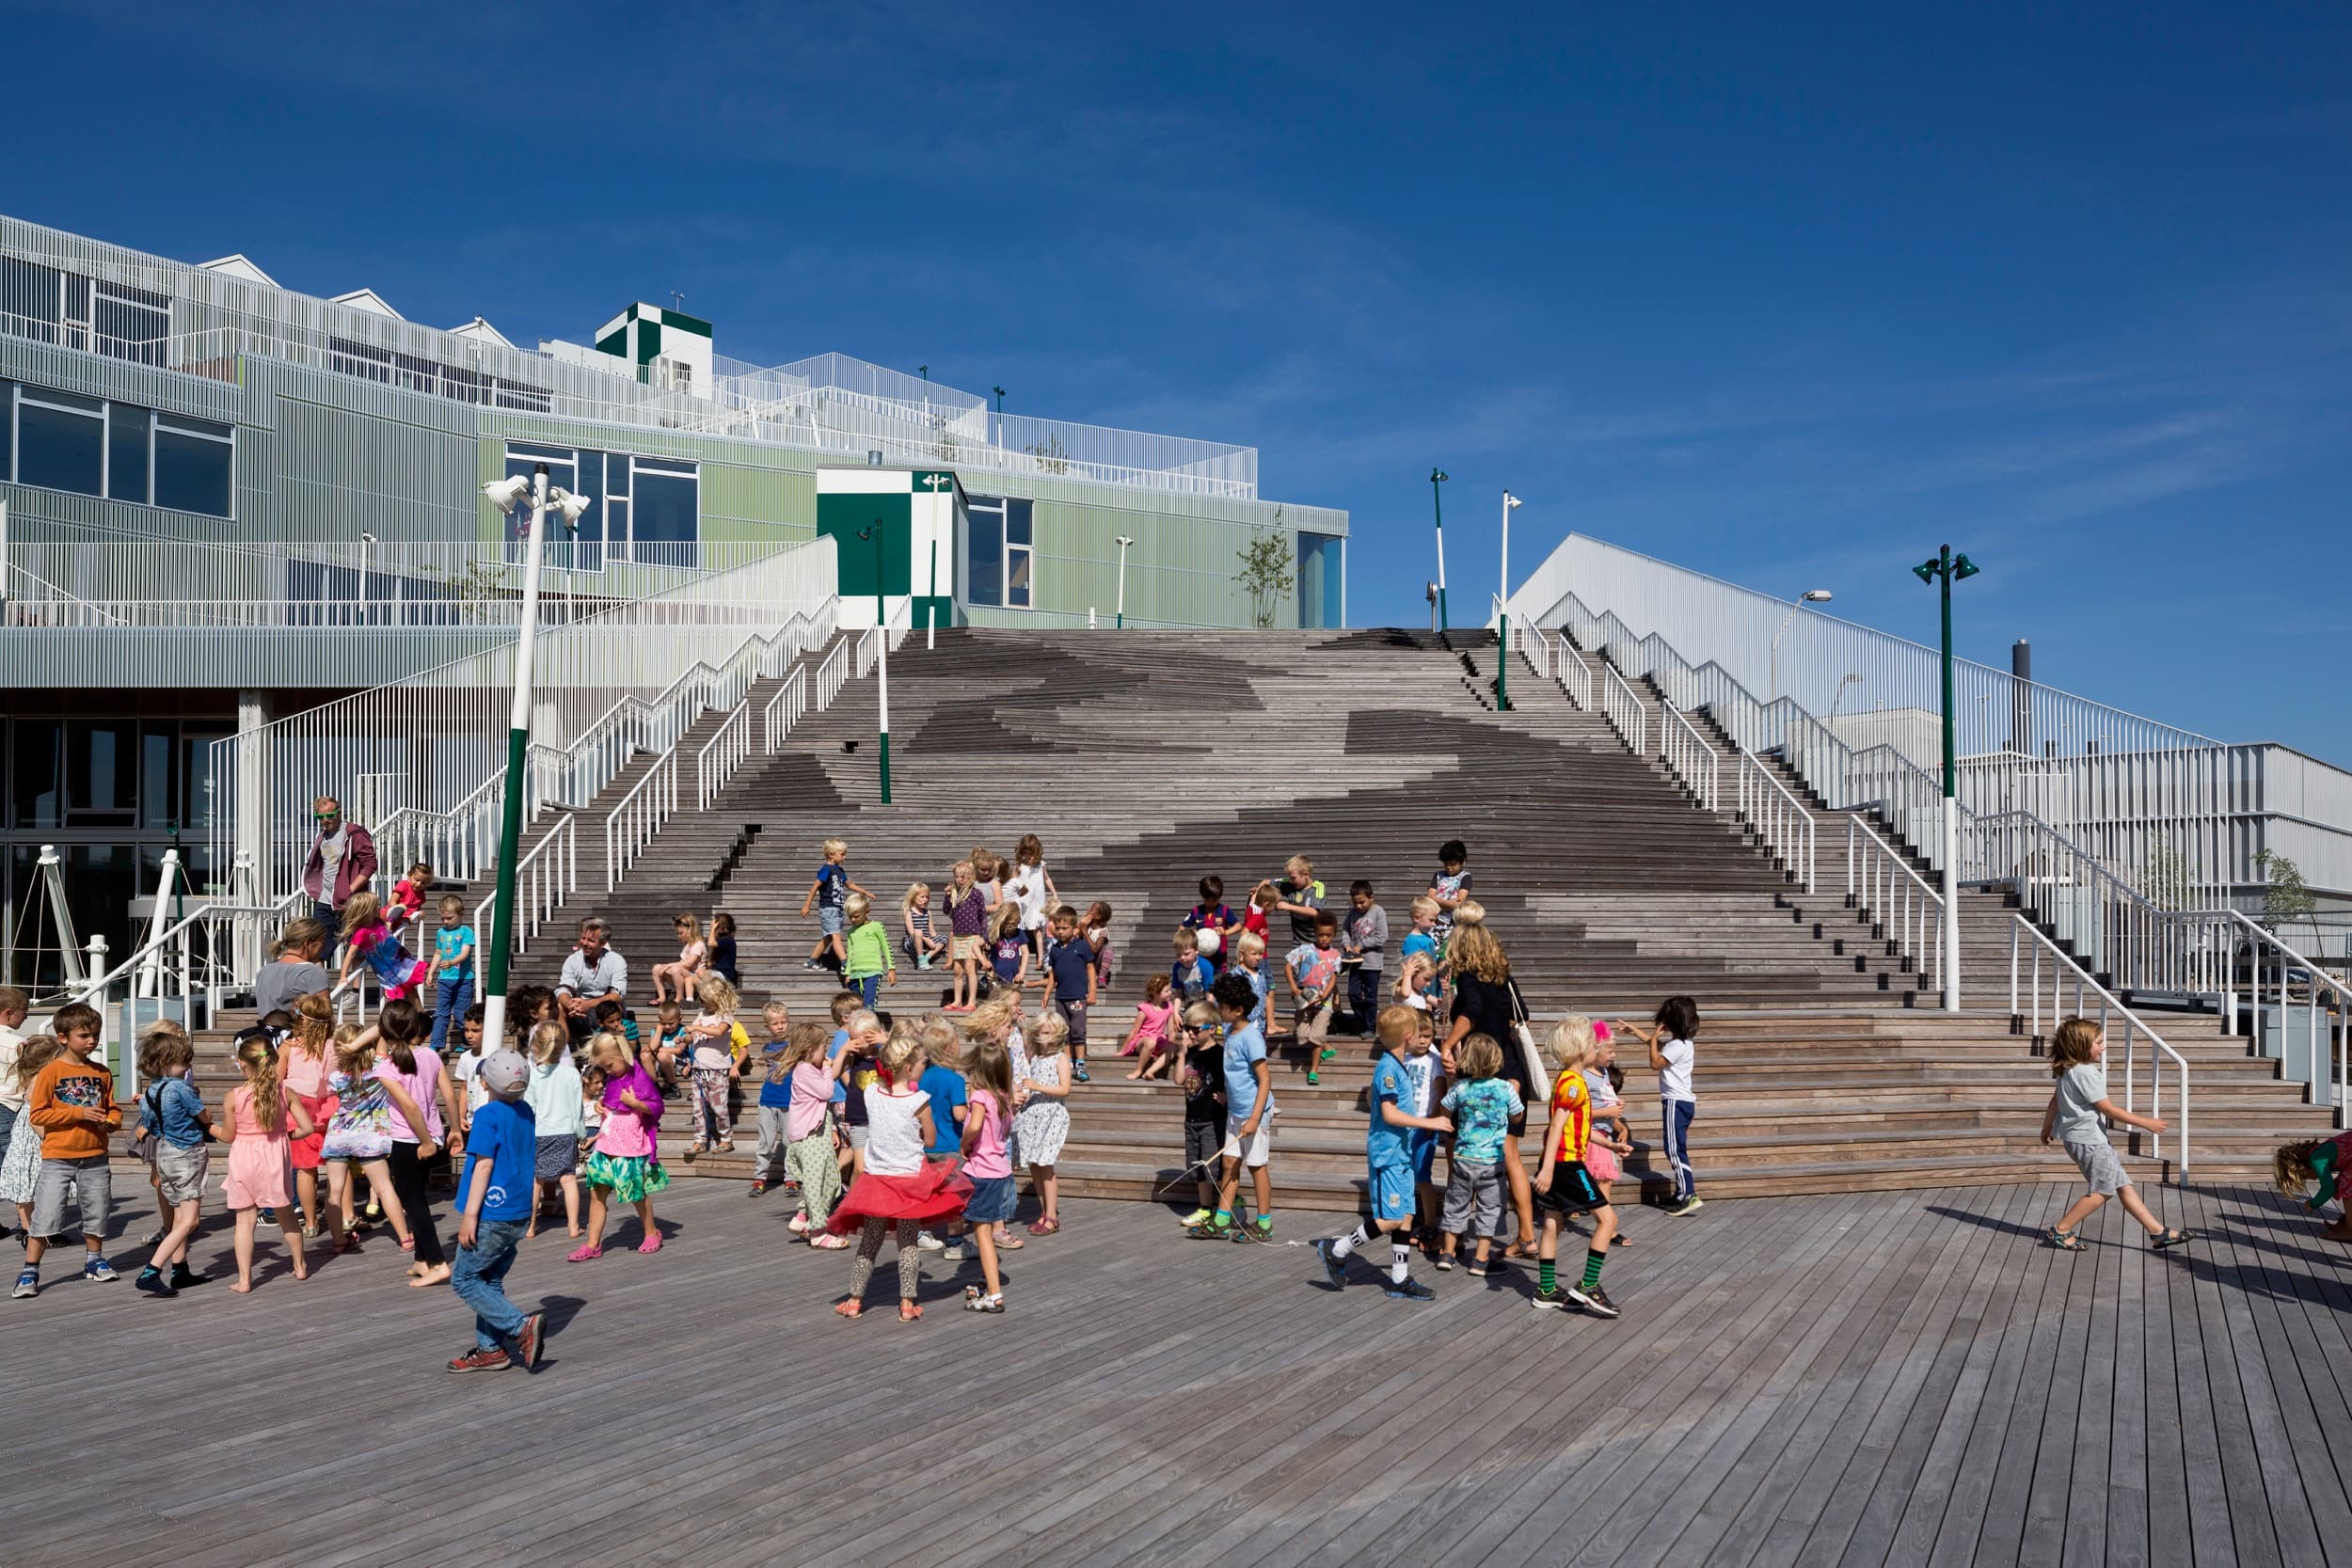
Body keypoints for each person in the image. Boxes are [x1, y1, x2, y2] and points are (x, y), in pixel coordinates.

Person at [828, 1032, 972, 1322]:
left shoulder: (872, 1094)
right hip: (910, 1180)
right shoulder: (919, 1101)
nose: (924, 1066)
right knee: (907, 1243)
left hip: (878, 1181)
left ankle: (854, 1300)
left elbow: (869, 1082)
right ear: (908, 1068)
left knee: (870, 1242)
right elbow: (930, 1140)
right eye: (921, 1062)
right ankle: (907, 1303)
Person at [1317, 1005, 1454, 1300]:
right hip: (1388, 1154)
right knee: (1391, 1219)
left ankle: (1399, 1278)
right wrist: (1430, 1122)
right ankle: (1337, 1249)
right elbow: (1390, 1114)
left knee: (1406, 1215)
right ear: (1408, 1037)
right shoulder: (1388, 1068)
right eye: (1417, 1032)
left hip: (1401, 1152)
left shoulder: (1397, 1064)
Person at [2040, 1016, 2193, 1253]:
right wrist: (2146, 1123)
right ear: (2081, 1045)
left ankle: (2157, 1232)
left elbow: (2054, 1101)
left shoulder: (2067, 1069)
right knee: (2103, 1190)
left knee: (2123, 1184)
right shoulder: (2086, 1073)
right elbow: (2108, 1109)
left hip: (2080, 1139)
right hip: (2090, 1141)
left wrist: (2046, 1127)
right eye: (2099, 1043)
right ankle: (2061, 1230)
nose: (2104, 1046)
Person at [1438, 907, 1535, 1256]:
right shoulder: (1503, 977)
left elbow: (1472, 1012)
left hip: (1480, 1071)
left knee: (1459, 1147)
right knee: (1510, 1154)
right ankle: (1526, 1237)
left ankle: (1454, 1234)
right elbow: (1523, 1014)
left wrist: (1449, 1043)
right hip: (1510, 1069)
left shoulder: (1467, 977)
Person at [447, 1049, 548, 1374]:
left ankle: (520, 1326)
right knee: (489, 1279)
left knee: (464, 1279)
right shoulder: (526, 1111)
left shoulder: (487, 1115)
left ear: (484, 1083)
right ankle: (491, 1350)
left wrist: (470, 1216)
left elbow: (484, 1165)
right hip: (518, 1210)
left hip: (491, 1212)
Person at [13, 1003, 121, 1298]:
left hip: (95, 1155)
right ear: (63, 1037)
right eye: (84, 1035)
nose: (92, 1040)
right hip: (58, 1157)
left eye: (95, 1034)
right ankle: (30, 1270)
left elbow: (112, 1108)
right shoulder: (51, 1072)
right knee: (46, 1215)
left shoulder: (102, 1072)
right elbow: (38, 1115)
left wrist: (112, 1122)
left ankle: (95, 1259)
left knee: (98, 1211)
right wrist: (78, 1113)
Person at [1531, 1020, 1622, 1318]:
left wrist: (1609, 1145)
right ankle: (1589, 1285)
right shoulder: (1573, 1084)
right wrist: (1547, 1169)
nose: (1597, 1048)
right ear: (1582, 1049)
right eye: (1594, 1044)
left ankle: (1546, 1290)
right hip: (1567, 1163)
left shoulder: (1569, 1079)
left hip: (1558, 1161)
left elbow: (1576, 1127)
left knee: (1552, 1223)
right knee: (1607, 1220)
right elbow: (1557, 1125)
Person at [319, 1024, 429, 1258]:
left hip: (340, 1134)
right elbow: (383, 1028)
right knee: (383, 1187)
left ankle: (338, 1241)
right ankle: (405, 1238)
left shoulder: (335, 1077)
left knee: (334, 1190)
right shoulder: (380, 1069)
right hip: (370, 1136)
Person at [216, 1031, 311, 1291]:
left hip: (244, 1157)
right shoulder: (286, 1092)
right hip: (275, 1156)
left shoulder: (234, 1096)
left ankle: (245, 1280)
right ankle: (300, 1266)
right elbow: (307, 1127)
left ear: (243, 1063)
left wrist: (208, 1128)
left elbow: (228, 1135)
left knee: (244, 1221)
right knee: (287, 1215)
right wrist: (284, 1135)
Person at [375, 999, 459, 1289]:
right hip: (434, 1136)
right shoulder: (430, 1055)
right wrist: (455, 1129)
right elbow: (449, 1094)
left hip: (410, 1142)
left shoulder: (386, 1067)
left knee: (413, 1205)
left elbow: (409, 1106)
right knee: (419, 1199)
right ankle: (422, 1259)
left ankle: (437, 1263)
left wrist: (424, 1141)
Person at [570, 1030, 670, 1260]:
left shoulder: (639, 1078)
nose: (607, 1072)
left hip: (629, 1147)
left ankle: (651, 1232)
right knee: (597, 1193)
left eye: (609, 1066)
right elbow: (612, 1104)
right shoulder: (614, 1078)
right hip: (606, 1144)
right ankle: (593, 1244)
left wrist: (634, 1102)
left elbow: (656, 1106)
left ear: (623, 1055)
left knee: (637, 1193)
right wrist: (601, 1104)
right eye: (603, 1068)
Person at [1191, 972, 1276, 1242]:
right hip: (1235, 1112)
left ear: (1238, 1010)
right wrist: (1229, 1096)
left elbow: (1264, 1080)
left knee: (1257, 1166)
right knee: (1229, 1164)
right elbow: (1238, 1074)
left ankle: (1264, 1223)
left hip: (1254, 1114)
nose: (1219, 1010)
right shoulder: (1230, 1031)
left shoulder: (1251, 1037)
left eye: (1223, 1006)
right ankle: (1222, 1220)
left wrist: (1254, 1118)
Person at [132, 1023, 213, 1297]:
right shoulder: (180, 1088)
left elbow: (152, 1125)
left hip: (164, 1153)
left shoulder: (149, 1093)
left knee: (179, 1215)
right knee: (190, 1220)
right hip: (187, 1154)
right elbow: (204, 1116)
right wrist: (205, 1113)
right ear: (166, 1062)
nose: (188, 1067)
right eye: (184, 1062)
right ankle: (151, 1271)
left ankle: (180, 1270)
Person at [1436, 1032, 1524, 1275]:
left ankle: (1447, 1253)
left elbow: (1444, 1108)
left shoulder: (1462, 1087)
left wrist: (1448, 1118)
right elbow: (1517, 1117)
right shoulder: (1505, 1088)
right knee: (1490, 1209)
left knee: (1455, 1206)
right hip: (1491, 1162)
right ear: (1497, 1059)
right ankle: (1480, 1260)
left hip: (1463, 1159)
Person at [1620, 994, 1704, 1217]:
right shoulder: (1684, 1044)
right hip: (1683, 1102)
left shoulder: (1677, 1046)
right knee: (1676, 1148)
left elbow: (1655, 1063)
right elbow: (1656, 1046)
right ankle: (1681, 1193)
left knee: (1674, 1150)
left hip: (1675, 1101)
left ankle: (1688, 1194)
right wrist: (1635, 1031)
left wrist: (1655, 1038)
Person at [958, 1034, 1018, 1312]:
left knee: (982, 1233)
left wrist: (965, 1143)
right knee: (988, 1229)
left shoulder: (980, 1097)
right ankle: (987, 1280)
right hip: (1001, 1171)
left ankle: (994, 1293)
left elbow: (974, 1126)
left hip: (982, 1171)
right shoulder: (1005, 1098)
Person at [277, 991, 340, 1238]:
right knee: (338, 1167)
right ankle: (344, 1216)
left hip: (299, 1112)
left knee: (305, 1169)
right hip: (329, 1109)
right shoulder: (333, 1046)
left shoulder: (288, 1047)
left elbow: (276, 1080)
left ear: (301, 1020)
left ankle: (311, 1223)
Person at [779, 1022, 848, 1245]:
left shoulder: (810, 1070)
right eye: (823, 1048)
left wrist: (832, 1129)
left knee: (831, 1180)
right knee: (816, 1186)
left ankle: (802, 1218)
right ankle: (817, 1232)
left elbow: (818, 1104)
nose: (825, 1054)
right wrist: (827, 1068)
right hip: (808, 1139)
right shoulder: (804, 1070)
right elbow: (827, 1091)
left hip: (818, 1133)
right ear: (810, 1049)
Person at [521, 1022, 584, 1239]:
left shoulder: (532, 1075)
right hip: (565, 1132)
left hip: (539, 1132)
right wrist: (581, 1133)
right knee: (568, 1179)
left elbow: (529, 1108)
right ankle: (573, 1226)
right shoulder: (572, 1073)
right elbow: (577, 1107)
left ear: (535, 1046)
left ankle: (530, 1226)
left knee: (536, 1180)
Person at [1015, 1012, 1073, 1234]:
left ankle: (1051, 1215)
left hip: (1051, 1114)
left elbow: (1065, 1089)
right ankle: (1044, 1211)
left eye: (1048, 1033)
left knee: (1046, 1164)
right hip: (1033, 1115)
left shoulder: (1061, 1058)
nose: (1044, 1037)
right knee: (1034, 1164)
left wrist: (1037, 1086)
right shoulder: (1036, 1058)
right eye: (1041, 1032)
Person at [0, 1033, 59, 1250]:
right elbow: (36, 1118)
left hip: (25, 1138)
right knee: (33, 1184)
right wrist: (49, 1138)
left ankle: (31, 1229)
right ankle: (33, 1230)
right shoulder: (39, 1082)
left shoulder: (31, 1078)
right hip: (34, 1138)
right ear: (50, 1061)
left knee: (26, 1184)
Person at [1173, 1001, 1228, 1227]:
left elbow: (1231, 1081)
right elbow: (1179, 1079)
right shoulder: (1190, 1053)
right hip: (1192, 1118)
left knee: (1213, 1166)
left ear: (1211, 1029)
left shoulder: (1220, 1054)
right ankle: (1205, 1207)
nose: (1190, 1034)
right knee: (1197, 1166)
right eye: (1187, 1028)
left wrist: (1227, 1098)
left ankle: (1226, 1204)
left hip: (1212, 1119)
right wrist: (1182, 1053)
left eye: (1195, 1029)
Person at [679, 974, 746, 1157]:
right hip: (699, 1068)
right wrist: (684, 1038)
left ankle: (726, 1138)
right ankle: (700, 1139)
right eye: (702, 1000)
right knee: (698, 1107)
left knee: (719, 1106)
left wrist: (696, 1028)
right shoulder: (702, 1014)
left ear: (718, 998)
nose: (703, 1004)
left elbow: (718, 1032)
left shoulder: (726, 1016)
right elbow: (692, 1036)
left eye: (707, 1000)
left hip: (717, 1069)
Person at [337, 892, 434, 1004]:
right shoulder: (361, 932)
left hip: (398, 959)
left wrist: (405, 919)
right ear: (367, 910)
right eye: (376, 905)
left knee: (410, 986)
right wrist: (343, 976)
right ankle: (404, 1012)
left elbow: (391, 919)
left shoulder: (378, 921)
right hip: (385, 967)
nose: (380, 906)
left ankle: (420, 1011)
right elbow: (351, 954)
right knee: (395, 992)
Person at [302, 795, 378, 934]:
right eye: (320, 817)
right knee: (319, 943)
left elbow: (370, 864)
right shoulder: (322, 837)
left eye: (330, 816)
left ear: (339, 813)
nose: (325, 820)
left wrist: (350, 889)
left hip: (348, 902)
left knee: (351, 944)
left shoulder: (354, 833)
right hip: (324, 900)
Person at [1285, 912, 1343, 1085]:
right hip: (1304, 1000)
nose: (1324, 938)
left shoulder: (1335, 954)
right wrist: (1294, 988)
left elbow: (1333, 977)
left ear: (1334, 935)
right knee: (1303, 1036)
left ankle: (1313, 1071)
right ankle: (1328, 1047)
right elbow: (1288, 967)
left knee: (1316, 1036)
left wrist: (1327, 994)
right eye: (1321, 935)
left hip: (1324, 1003)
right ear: (1315, 933)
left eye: (1328, 935)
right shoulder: (1305, 949)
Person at [1043, 906, 1099, 1083]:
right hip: (1061, 997)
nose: (1060, 932)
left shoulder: (1082, 946)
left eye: (1064, 928)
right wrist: (1047, 993)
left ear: (1074, 928)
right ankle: (1068, 1063)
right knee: (1063, 1031)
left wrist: (1092, 991)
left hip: (1078, 997)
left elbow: (1090, 968)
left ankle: (1080, 1063)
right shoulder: (1055, 949)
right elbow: (1053, 974)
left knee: (1078, 1030)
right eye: (1057, 928)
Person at [555, 918, 628, 1045]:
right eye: (583, 938)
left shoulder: (616, 960)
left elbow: (617, 995)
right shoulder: (572, 960)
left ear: (603, 943)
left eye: (591, 940)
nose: (584, 943)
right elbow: (563, 989)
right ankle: (562, 1050)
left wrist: (588, 1004)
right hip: (579, 1010)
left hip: (606, 1008)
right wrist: (571, 1005)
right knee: (559, 1006)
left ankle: (611, 1046)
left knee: (614, 1008)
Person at [800, 837, 867, 974]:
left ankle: (811, 962)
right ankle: (845, 963)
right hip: (828, 909)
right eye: (842, 854)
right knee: (837, 937)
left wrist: (865, 892)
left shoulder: (839, 870)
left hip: (838, 909)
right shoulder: (826, 870)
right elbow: (815, 887)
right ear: (831, 854)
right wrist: (807, 905)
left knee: (829, 937)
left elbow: (849, 884)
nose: (844, 857)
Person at [2274, 1132, 2352, 1240]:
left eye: (2305, 1176)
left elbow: (2328, 1189)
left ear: (2303, 1168)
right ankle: (2346, 1225)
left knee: (2346, 1187)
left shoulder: (2317, 1159)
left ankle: (2350, 1231)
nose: (2312, 1179)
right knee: (2341, 1184)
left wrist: (2312, 1204)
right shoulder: (2320, 1151)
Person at [254, 920, 332, 1021]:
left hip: (266, 1029)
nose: (323, 948)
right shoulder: (313, 972)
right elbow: (324, 1016)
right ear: (307, 943)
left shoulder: (264, 971)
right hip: (298, 1030)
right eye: (322, 943)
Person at [428, 895, 477, 1054]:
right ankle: (436, 1044)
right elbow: (438, 952)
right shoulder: (441, 932)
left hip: (463, 979)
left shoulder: (466, 931)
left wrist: (451, 962)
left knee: (461, 1012)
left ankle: (466, 1041)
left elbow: (464, 953)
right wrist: (431, 972)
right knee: (441, 1013)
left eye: (449, 918)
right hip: (445, 979)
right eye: (443, 918)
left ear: (461, 914)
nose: (446, 922)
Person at [1341, 881, 1390, 1039]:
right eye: (1355, 903)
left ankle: (1369, 1027)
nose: (1359, 906)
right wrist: (1346, 944)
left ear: (1371, 898)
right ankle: (1363, 1022)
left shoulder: (1378, 912)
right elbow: (1345, 931)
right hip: (1355, 963)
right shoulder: (1352, 913)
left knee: (1370, 997)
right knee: (1353, 994)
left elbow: (1382, 937)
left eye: (1362, 902)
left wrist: (1361, 945)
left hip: (1372, 963)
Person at [1008, 833, 1058, 974]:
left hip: (1037, 902)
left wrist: (1054, 893)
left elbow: (1047, 879)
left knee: (1038, 929)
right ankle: (1017, 957)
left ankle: (1040, 958)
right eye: (1026, 854)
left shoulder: (1040, 866)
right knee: (1019, 928)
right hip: (1024, 902)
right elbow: (1013, 882)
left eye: (1031, 854)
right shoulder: (1019, 867)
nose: (1029, 857)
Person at [943, 861, 989, 1012]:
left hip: (972, 936)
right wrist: (947, 896)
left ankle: (971, 1001)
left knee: (970, 969)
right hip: (958, 936)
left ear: (971, 877)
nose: (959, 880)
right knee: (957, 970)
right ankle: (957, 1000)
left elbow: (983, 915)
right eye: (957, 876)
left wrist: (984, 936)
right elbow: (946, 910)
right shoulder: (954, 893)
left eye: (963, 877)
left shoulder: (976, 893)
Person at [842, 894, 898, 1008]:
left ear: (867, 912)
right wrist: (848, 973)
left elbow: (886, 947)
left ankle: (871, 1020)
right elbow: (850, 953)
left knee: (869, 1005)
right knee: (856, 1008)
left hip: (873, 972)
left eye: (856, 916)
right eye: (850, 916)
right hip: (855, 975)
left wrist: (891, 969)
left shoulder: (877, 926)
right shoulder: (851, 932)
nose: (853, 920)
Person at [0, 987, 25, 1231]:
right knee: (17, 1164)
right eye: (23, 1012)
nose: (25, 1017)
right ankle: (25, 1223)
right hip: (9, 1106)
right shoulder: (15, 1043)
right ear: (8, 1014)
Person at [1122, 974, 1179, 1079]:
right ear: (1156, 993)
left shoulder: (1169, 1007)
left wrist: (1169, 1045)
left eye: (1170, 990)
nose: (1170, 993)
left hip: (1159, 1042)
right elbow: (1134, 1031)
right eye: (1167, 991)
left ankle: (1150, 1071)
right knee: (1151, 1042)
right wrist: (1123, 1051)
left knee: (1175, 1047)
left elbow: (1171, 1031)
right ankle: (1138, 1070)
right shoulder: (1145, 1009)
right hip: (1143, 1042)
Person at [650, 912, 707, 1007]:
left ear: (691, 930)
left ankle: (679, 997)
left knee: (675, 969)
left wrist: (669, 965)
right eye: (677, 933)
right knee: (656, 968)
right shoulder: (688, 945)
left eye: (681, 933)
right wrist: (665, 967)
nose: (679, 936)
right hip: (684, 974)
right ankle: (662, 997)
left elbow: (688, 964)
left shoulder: (698, 944)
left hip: (694, 977)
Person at [1183, 878, 1239, 971]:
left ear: (1220, 896)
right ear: (1202, 896)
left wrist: (1225, 932)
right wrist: (1191, 932)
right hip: (1200, 960)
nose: (1211, 903)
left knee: (1219, 979)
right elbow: (1182, 927)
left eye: (1214, 900)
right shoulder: (1197, 911)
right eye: (1207, 900)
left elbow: (1238, 926)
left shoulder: (1224, 910)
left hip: (1220, 961)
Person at [1428, 839, 1472, 950]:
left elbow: (1458, 902)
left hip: (1453, 924)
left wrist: (1437, 903)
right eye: (1446, 864)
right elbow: (1429, 897)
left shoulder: (1465, 877)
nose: (1449, 867)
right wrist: (1449, 904)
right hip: (1434, 923)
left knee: (1448, 952)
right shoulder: (1438, 875)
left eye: (1453, 864)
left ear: (1463, 862)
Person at [988, 901, 1030, 996]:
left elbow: (1025, 952)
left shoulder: (1019, 933)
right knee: (995, 1001)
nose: (1014, 927)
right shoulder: (995, 933)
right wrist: (984, 960)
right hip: (996, 977)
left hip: (1013, 978)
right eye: (1012, 924)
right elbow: (977, 945)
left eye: (1016, 923)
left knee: (1012, 1001)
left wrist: (1022, 973)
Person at [901, 883, 946, 971]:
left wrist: (937, 944)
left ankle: (926, 958)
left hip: (926, 941)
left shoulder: (927, 912)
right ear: (914, 897)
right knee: (918, 931)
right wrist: (926, 940)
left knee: (944, 938)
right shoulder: (909, 912)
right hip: (913, 941)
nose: (925, 899)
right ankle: (921, 961)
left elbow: (932, 932)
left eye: (927, 897)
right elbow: (911, 932)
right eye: (922, 897)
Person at [1170, 928, 1213, 1006]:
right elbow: (1178, 994)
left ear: (1196, 950)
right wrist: (1176, 1011)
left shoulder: (1205, 966)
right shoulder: (1177, 968)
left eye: (1186, 954)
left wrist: (1208, 1010)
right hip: (1189, 1005)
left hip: (1204, 1004)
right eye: (1178, 955)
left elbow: (1209, 994)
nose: (1182, 958)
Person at [707, 911, 740, 987]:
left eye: (717, 926)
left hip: (726, 976)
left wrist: (712, 929)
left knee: (701, 973)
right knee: (690, 979)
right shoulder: (720, 941)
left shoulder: (728, 940)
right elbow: (711, 962)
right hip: (717, 974)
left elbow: (710, 943)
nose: (714, 928)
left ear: (723, 928)